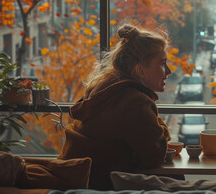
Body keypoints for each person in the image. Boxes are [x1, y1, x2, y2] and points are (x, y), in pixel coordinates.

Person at [58, 24, 172, 190]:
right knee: (173, 178)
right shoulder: (135, 102)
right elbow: (155, 156)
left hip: (73, 178)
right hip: (100, 185)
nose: (168, 71)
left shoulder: (103, 88)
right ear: (140, 70)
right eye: (162, 63)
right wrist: (160, 125)